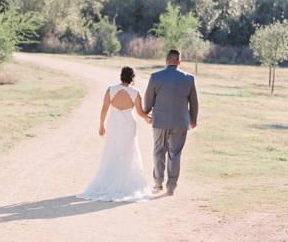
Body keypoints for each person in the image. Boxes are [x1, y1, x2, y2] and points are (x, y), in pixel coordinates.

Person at [77, 65, 153, 202]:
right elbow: (140, 113)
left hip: (113, 122)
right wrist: (149, 118)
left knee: (112, 150)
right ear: (133, 78)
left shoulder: (111, 90)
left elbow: (104, 109)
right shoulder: (135, 92)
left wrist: (101, 125)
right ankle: (125, 183)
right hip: (129, 123)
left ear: (121, 76)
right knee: (128, 151)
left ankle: (109, 181)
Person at [143, 49, 198, 196]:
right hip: (180, 122)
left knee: (158, 150)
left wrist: (147, 114)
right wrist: (193, 119)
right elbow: (194, 102)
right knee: (175, 154)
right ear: (179, 62)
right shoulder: (189, 78)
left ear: (166, 61)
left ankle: (158, 183)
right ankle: (171, 186)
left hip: (160, 121)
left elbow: (148, 99)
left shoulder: (155, 77)